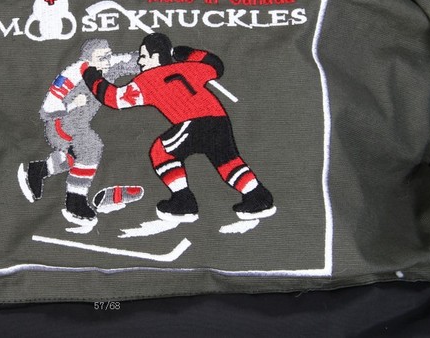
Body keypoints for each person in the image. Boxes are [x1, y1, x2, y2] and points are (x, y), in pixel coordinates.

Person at [82, 32, 275, 223]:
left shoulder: (148, 79)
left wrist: (90, 75)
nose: (140, 62)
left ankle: (184, 202)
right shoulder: (189, 68)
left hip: (195, 123)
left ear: (155, 57)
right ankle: (258, 197)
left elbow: (113, 98)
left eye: (143, 56)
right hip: (220, 121)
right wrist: (188, 53)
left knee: (161, 152)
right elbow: (215, 65)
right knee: (228, 162)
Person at [18, 39, 140, 228]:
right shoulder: (72, 75)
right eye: (102, 57)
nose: (107, 60)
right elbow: (47, 109)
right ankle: (75, 202)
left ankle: (38, 170)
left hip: (80, 124)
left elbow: (130, 60)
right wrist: (71, 104)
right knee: (90, 147)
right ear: (87, 59)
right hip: (60, 124)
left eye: (108, 55)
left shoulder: (108, 66)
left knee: (75, 159)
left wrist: (162, 57)